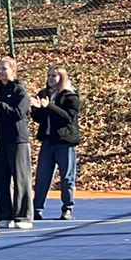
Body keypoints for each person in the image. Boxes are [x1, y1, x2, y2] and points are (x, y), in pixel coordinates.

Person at [31, 66, 83, 219]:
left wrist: (50, 106)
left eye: (54, 75)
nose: (50, 78)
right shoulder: (43, 94)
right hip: (48, 141)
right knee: (42, 177)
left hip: (64, 142)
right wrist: (37, 108)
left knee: (67, 178)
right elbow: (38, 118)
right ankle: (37, 209)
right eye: (49, 75)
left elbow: (68, 117)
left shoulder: (70, 96)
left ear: (62, 78)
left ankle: (67, 208)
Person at [0, 57, 35, 230]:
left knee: (21, 178)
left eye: (5, 68)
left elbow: (18, 113)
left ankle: (23, 215)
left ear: (13, 70)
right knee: (0, 177)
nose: (1, 72)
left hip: (17, 139)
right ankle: (4, 215)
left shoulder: (20, 90)